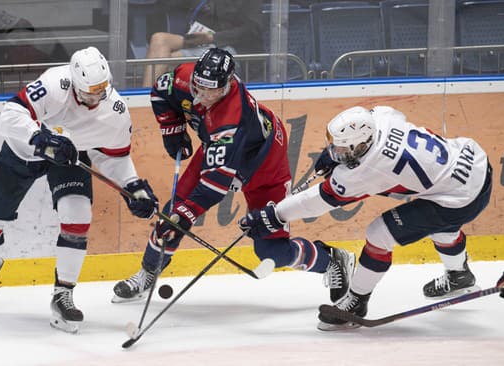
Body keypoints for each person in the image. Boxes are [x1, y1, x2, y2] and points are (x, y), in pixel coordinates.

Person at [112, 48, 355, 304]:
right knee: (174, 211)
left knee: (272, 251)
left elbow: (214, 187)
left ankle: (332, 261)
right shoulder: (186, 78)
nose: (202, 96)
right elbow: (161, 92)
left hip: (266, 168)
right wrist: (171, 128)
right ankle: (148, 273)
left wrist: (187, 215)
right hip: (219, 152)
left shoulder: (230, 118)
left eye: (211, 91)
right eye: (199, 87)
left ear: (227, 84)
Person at [0, 46, 159, 334]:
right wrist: (39, 138)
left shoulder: (115, 111)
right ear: (73, 83)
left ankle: (64, 294)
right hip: (24, 151)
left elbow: (113, 156)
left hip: (70, 158)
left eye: (101, 91)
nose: (95, 99)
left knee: (78, 216)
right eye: (88, 93)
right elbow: (7, 116)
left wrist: (132, 186)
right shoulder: (53, 84)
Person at [239, 106, 493, 331]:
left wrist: (276, 214)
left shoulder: (368, 168)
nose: (333, 150)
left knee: (379, 234)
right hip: (474, 162)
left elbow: (319, 201)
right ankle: (459, 275)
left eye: (339, 147)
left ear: (360, 145)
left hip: (460, 197)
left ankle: (356, 302)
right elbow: (395, 115)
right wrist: (339, 155)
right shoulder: (381, 118)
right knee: (441, 226)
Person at [142, 0, 263, 86]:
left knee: (169, 60)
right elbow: (169, 4)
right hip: (200, 40)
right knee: (159, 39)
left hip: (230, 48)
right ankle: (145, 99)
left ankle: (149, 103)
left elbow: (252, 29)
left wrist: (212, 38)